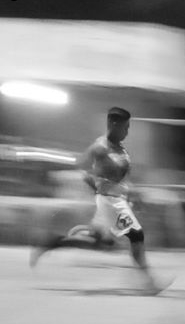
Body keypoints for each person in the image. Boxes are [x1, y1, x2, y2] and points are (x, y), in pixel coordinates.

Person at [30, 107, 169, 294]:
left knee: (100, 243)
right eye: (125, 127)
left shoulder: (120, 149)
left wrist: (132, 194)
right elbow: (82, 165)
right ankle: (149, 283)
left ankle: (51, 242)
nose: (127, 132)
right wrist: (96, 184)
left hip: (116, 200)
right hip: (110, 201)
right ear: (113, 124)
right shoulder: (100, 147)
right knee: (136, 235)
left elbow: (122, 178)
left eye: (128, 127)